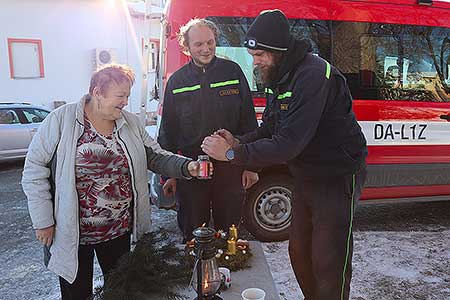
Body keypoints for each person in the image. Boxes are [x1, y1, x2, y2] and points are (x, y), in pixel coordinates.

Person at [201, 9, 367, 300]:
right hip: (306, 175)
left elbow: (288, 144)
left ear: (279, 50)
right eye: (254, 56)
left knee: (329, 259)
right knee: (299, 251)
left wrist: (231, 155)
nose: (256, 62)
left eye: (260, 55)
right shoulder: (280, 75)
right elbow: (272, 128)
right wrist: (238, 141)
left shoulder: (314, 74)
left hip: (336, 175)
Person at [21, 64, 206, 300]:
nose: (125, 102)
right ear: (97, 92)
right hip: (73, 234)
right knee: (76, 294)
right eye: (120, 96)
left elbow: (154, 155)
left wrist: (186, 166)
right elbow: (33, 170)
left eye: (128, 95)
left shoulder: (130, 122)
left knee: (120, 292)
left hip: (118, 231)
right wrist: (43, 221)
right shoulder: (61, 120)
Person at [157, 18, 259, 243]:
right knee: (193, 231)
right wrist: (168, 174)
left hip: (230, 165)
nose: (205, 48)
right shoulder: (177, 81)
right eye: (198, 44)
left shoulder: (233, 72)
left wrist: (250, 166)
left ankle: (228, 268)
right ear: (187, 47)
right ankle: (197, 270)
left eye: (210, 42)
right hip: (191, 170)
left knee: (229, 228)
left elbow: (249, 122)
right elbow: (168, 131)